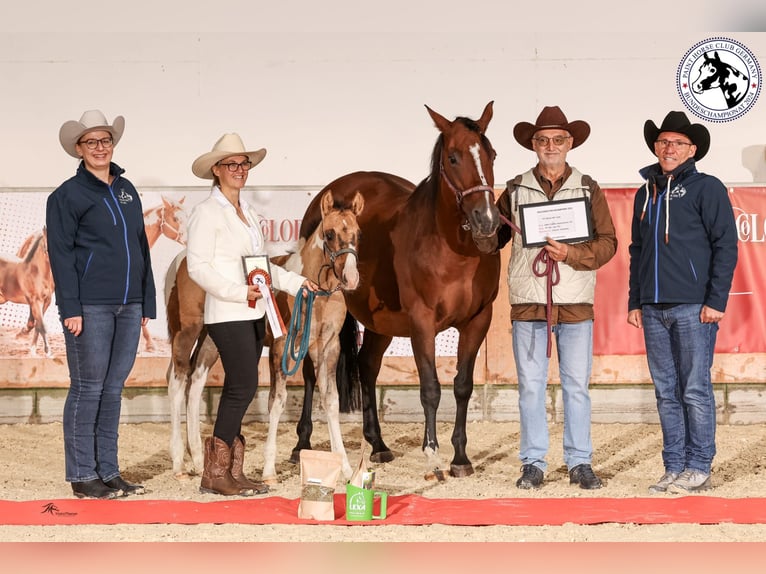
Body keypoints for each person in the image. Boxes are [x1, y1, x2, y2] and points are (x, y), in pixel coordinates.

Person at [187, 133, 318, 496]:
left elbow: (261, 267)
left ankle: (230, 471)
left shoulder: (251, 215)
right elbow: (198, 268)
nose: (239, 170)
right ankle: (215, 474)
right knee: (241, 386)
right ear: (216, 170)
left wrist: (297, 283)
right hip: (227, 311)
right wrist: (236, 291)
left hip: (254, 311)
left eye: (244, 164)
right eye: (232, 164)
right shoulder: (206, 213)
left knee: (242, 388)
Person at [496, 106, 617, 490]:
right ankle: (533, 462)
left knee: (576, 385)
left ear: (570, 143)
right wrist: (475, 220)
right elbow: (491, 240)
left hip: (575, 301)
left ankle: (579, 462)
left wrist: (572, 255)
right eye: (543, 140)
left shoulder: (587, 187)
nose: (551, 146)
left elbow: (608, 243)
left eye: (558, 139)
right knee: (531, 386)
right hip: (529, 301)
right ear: (533, 145)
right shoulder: (515, 189)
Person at [47, 110, 156, 499]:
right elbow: (60, 255)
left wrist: (146, 300)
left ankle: (108, 471)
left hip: (129, 305)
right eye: (91, 142)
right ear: (79, 148)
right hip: (89, 306)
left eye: (105, 140)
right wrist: (69, 308)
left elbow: (140, 246)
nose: (100, 147)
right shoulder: (66, 196)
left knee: (112, 390)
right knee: (87, 388)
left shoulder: (126, 189)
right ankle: (82, 475)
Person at [627, 111, 738, 494]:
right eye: (663, 142)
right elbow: (637, 250)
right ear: (656, 148)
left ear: (692, 150)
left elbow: (726, 245)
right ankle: (673, 465)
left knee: (694, 388)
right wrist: (635, 301)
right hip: (653, 307)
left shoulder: (707, 188)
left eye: (676, 143)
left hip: (693, 306)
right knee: (666, 391)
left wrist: (715, 300)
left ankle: (699, 466)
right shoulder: (646, 193)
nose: (668, 148)